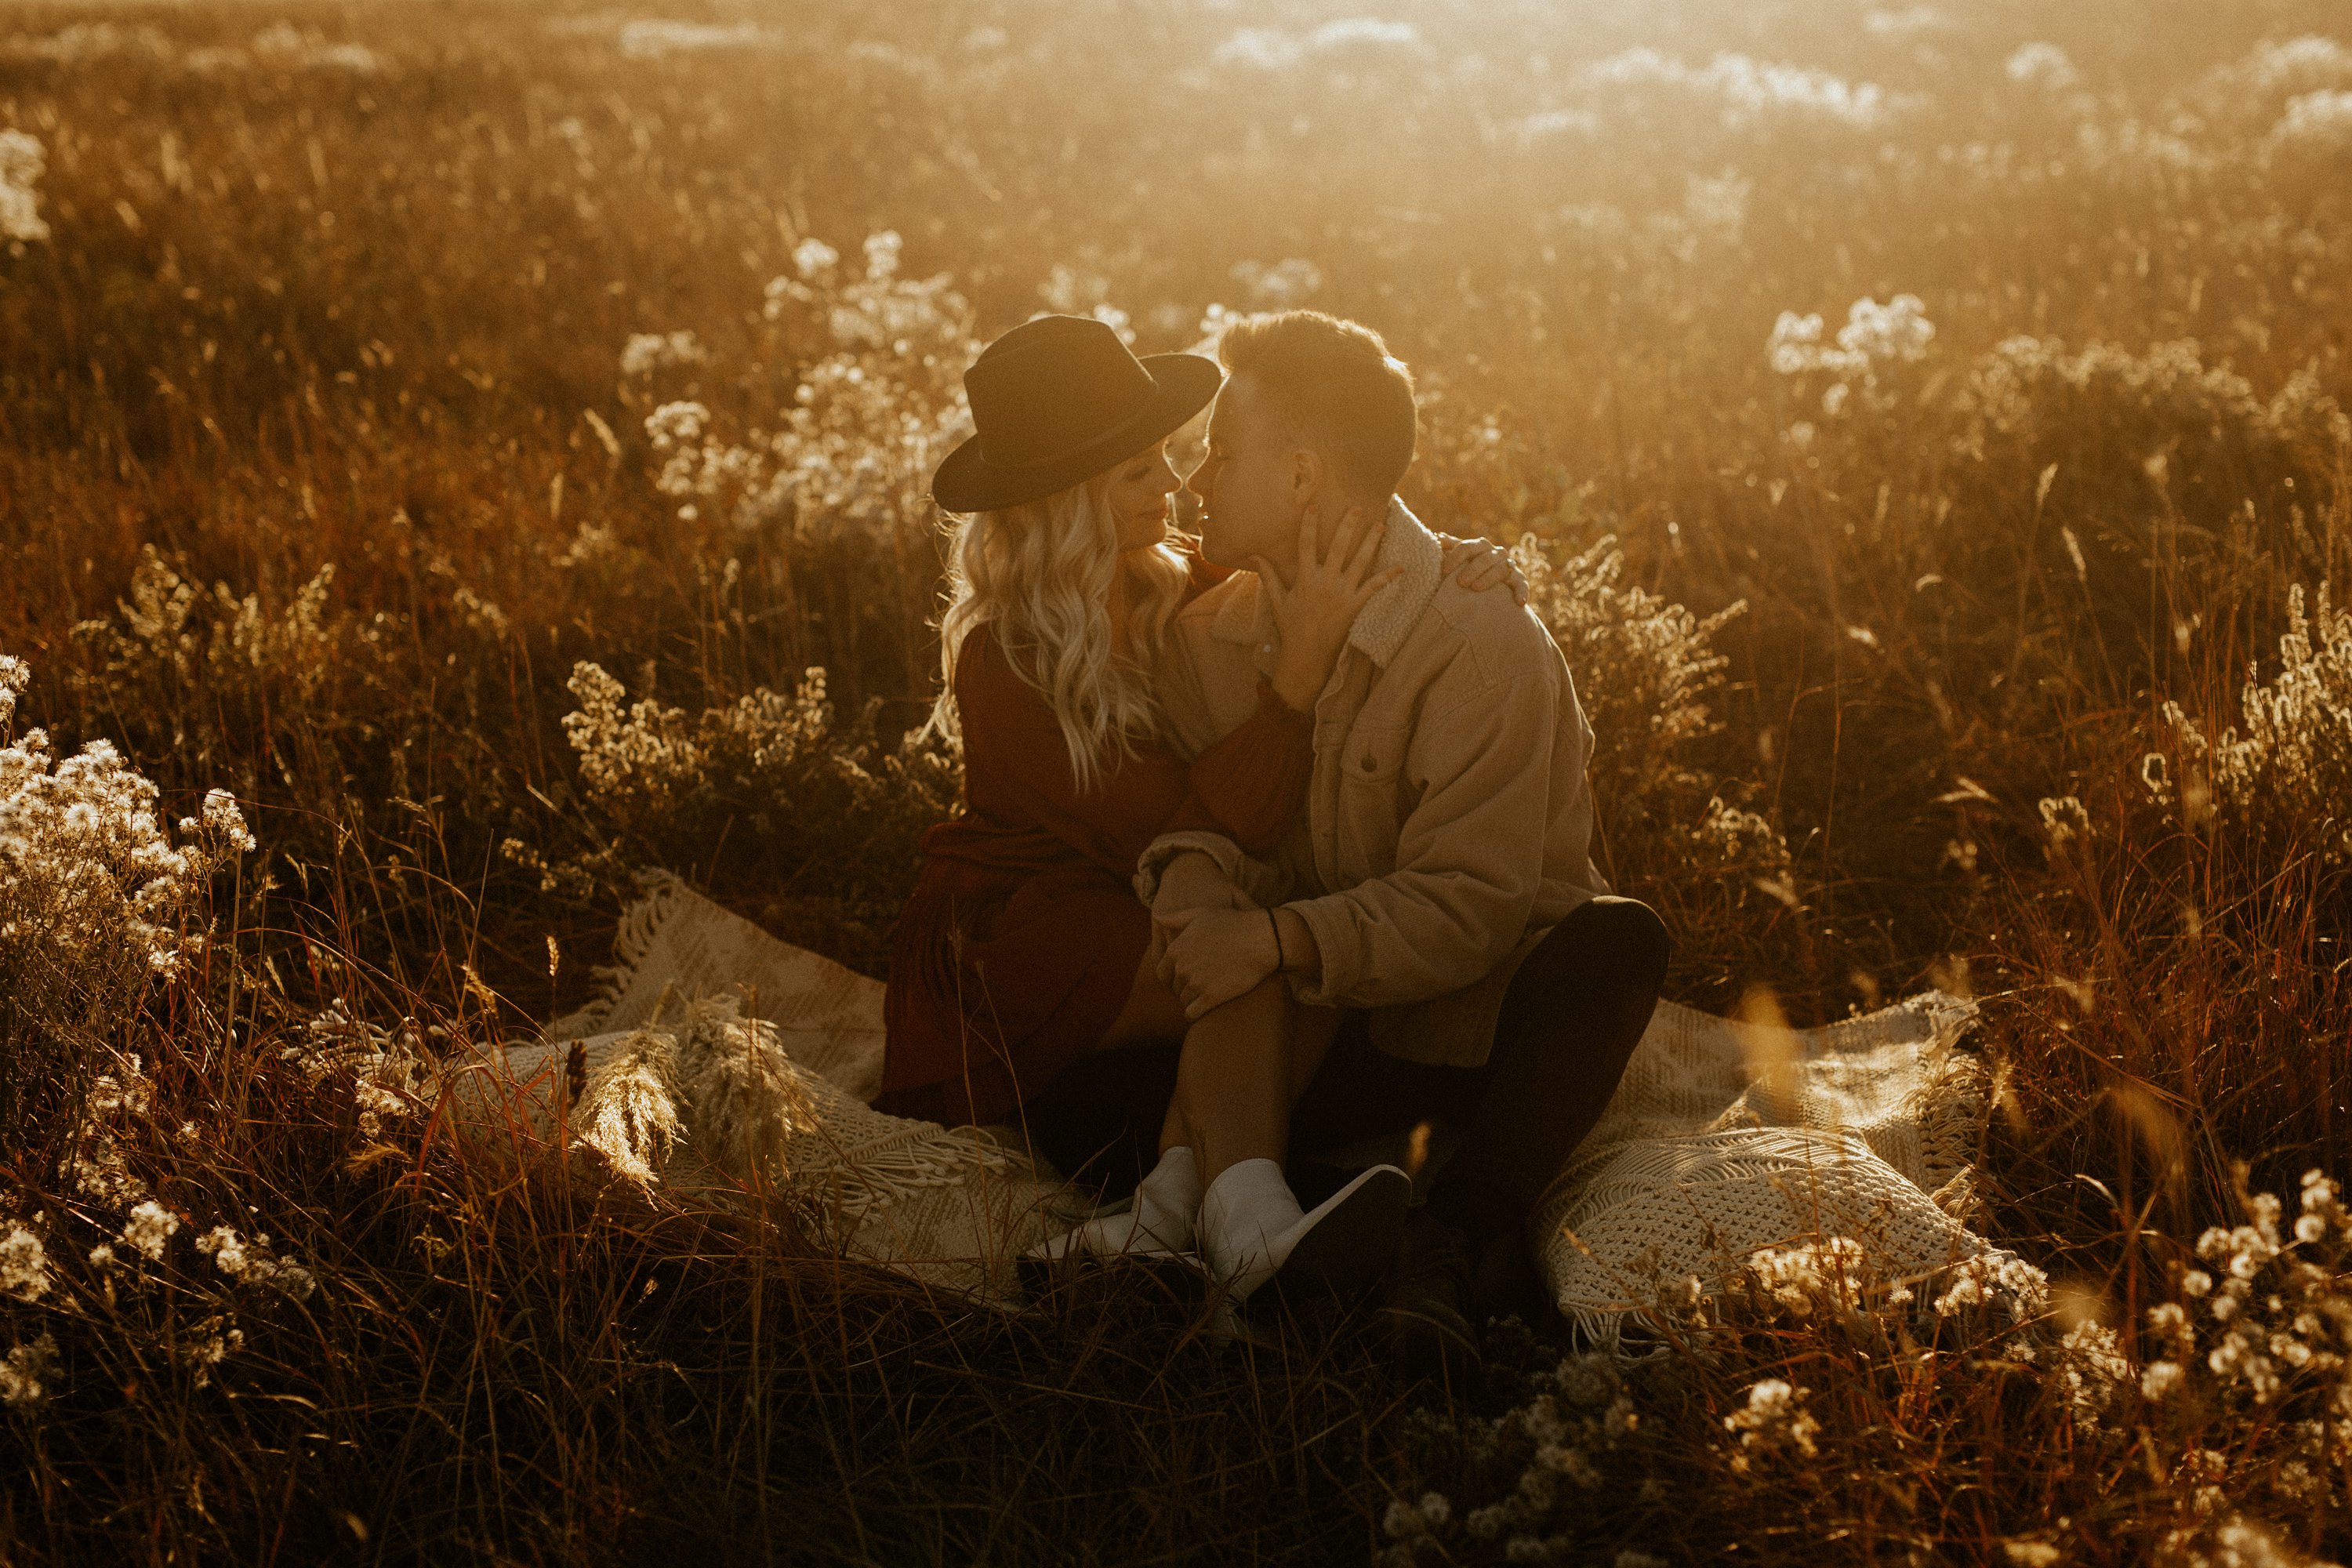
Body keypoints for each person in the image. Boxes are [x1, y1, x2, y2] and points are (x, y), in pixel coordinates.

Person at [1045, 309, 1670, 1365]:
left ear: (1298, 479)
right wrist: (1202, 903)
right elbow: (1215, 828)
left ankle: (1454, 1230)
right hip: (1320, 1023)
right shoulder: (1210, 634)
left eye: (1221, 454)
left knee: (1618, 945)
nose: (1197, 483)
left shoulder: (1484, 650)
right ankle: (1277, 1212)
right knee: (1062, 1104)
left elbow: (1470, 913)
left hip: (1469, 1018)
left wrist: (1275, 942)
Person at [877, 314, 1525, 1303]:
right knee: (1244, 943)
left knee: (1264, 938)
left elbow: (1330, 542)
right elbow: (1180, 826)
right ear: (1072, 502)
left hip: (1147, 901)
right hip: (1035, 930)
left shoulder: (1173, 576)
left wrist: (1453, 561)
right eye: (1142, 474)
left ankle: (1167, 1213)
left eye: (1173, 462)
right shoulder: (1003, 661)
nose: (1177, 489)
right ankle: (1250, 1221)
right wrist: (1294, 687)